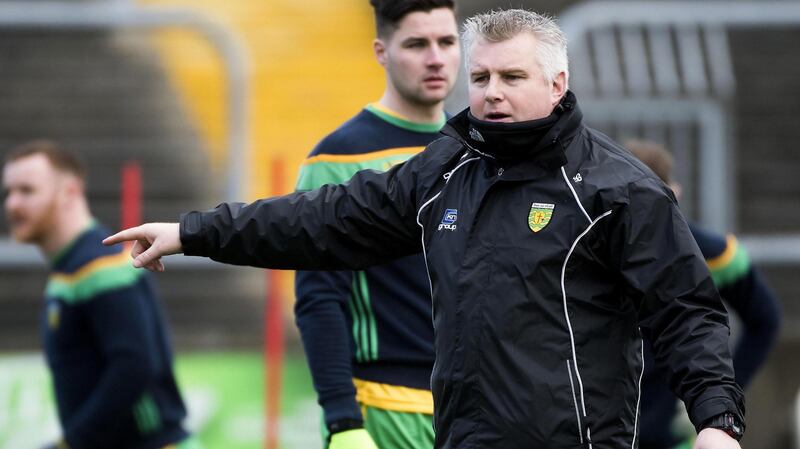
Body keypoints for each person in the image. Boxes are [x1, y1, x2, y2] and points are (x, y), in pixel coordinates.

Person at [104, 9, 746, 449]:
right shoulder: (447, 166)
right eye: (483, 77)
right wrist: (196, 231)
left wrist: (717, 419)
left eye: (512, 77)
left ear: (558, 83)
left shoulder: (618, 188)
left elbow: (686, 310)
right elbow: (326, 219)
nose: (492, 92)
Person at [293, 1, 460, 448]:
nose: (436, 58)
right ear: (381, 51)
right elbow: (319, 297)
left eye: (447, 42)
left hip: (475, 408)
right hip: (388, 407)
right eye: (416, 44)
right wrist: (343, 420)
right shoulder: (339, 157)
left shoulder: (475, 149)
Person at [2, 140, 195, 449]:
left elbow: (134, 366)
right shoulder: (72, 266)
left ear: (70, 192)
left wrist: (69, 443)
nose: (12, 204)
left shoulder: (99, 267)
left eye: (26, 190)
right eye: (8, 192)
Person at [626, 139, 781, 449]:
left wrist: (719, 401)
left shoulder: (714, 253)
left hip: (675, 436)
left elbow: (765, 320)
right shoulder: (593, 251)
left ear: (674, 193)